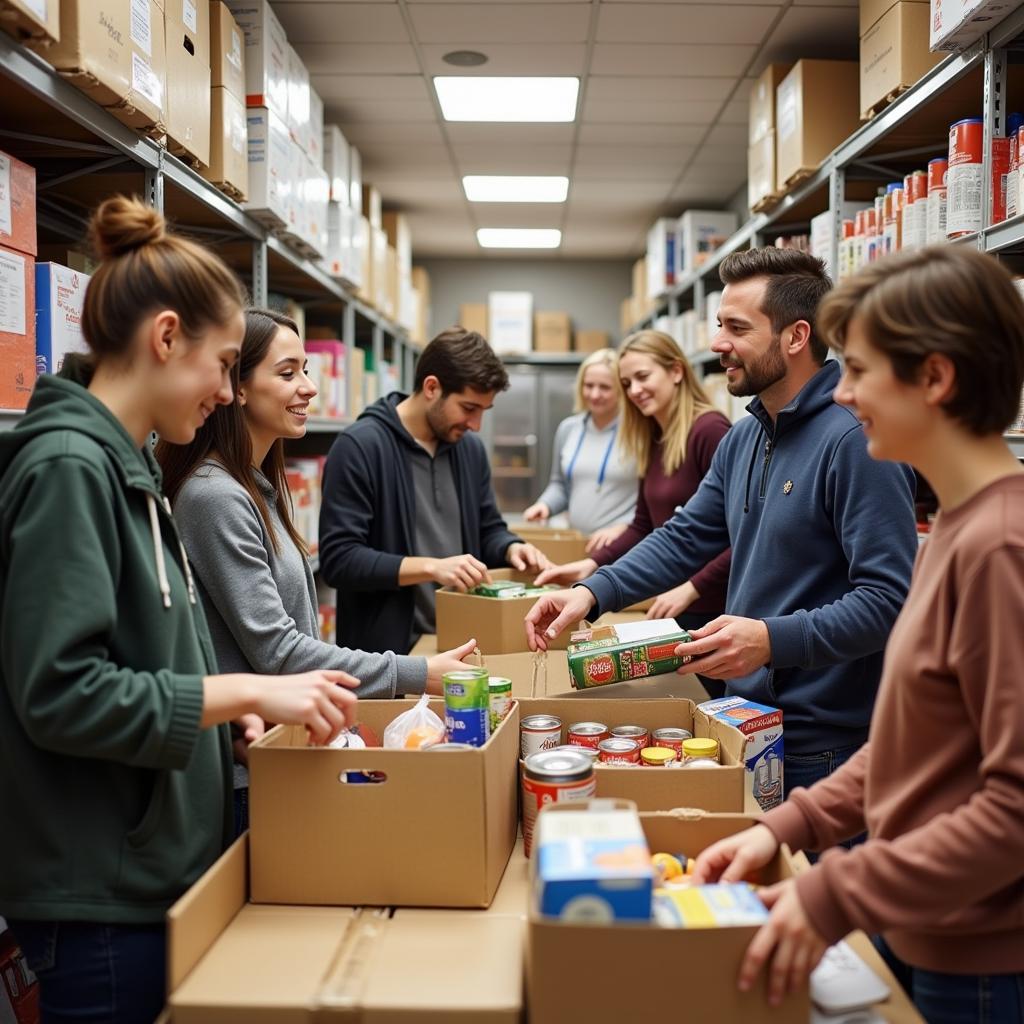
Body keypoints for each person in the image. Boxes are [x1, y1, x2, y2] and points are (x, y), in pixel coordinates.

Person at [0, 197, 357, 1023]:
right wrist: (239, 693)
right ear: (165, 339)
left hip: (146, 874)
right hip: (97, 893)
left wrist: (214, 718)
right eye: (226, 364)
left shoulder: (128, 472)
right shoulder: (67, 469)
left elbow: (144, 652)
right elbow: (61, 692)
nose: (229, 393)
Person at [690, 245, 1024, 1022]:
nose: (842, 393)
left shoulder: (1000, 548)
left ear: (935, 379)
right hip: (934, 931)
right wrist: (789, 829)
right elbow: (922, 742)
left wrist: (835, 887)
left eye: (863, 371)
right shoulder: (952, 534)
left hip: (984, 966)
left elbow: (1013, 807)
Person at [525, 247, 917, 796]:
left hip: (826, 743)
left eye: (737, 327)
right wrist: (591, 593)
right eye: (718, 325)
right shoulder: (745, 437)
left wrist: (770, 640)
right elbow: (685, 538)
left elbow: (888, 601)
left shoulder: (856, 442)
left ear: (796, 337)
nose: (717, 344)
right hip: (748, 719)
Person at [156, 309, 478, 834]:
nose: (308, 387)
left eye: (306, 369)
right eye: (287, 374)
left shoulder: (256, 486)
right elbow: (278, 651)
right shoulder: (215, 497)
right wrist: (418, 672)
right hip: (248, 777)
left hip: (284, 752)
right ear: (235, 387)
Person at [319, 327, 549, 655]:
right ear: (431, 387)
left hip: (463, 642)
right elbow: (339, 560)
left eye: (484, 411)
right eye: (469, 408)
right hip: (391, 657)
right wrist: (431, 567)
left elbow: (488, 528)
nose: (476, 425)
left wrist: (511, 547)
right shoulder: (359, 447)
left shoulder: (469, 450)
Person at [535, 331, 732, 658]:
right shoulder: (655, 436)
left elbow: (738, 535)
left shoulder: (710, 430)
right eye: (626, 383)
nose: (635, 391)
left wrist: (692, 588)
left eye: (642, 377)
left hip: (711, 607)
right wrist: (592, 564)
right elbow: (643, 526)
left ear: (677, 371)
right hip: (666, 598)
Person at [523, 347, 638, 537]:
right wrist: (544, 505)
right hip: (579, 541)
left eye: (605, 387)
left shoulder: (638, 432)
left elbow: (651, 500)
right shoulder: (568, 429)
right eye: (589, 385)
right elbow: (560, 484)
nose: (594, 394)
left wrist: (625, 528)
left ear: (621, 390)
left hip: (624, 544)